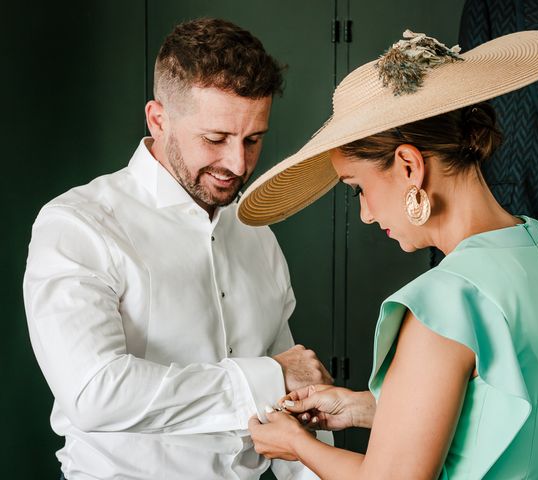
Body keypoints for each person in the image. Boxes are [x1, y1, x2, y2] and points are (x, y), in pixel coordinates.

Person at [238, 30, 538, 479]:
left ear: (409, 165)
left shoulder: (448, 302)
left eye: (358, 189)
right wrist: (360, 407)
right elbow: (496, 406)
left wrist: (297, 445)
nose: (367, 214)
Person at [23, 18, 332, 480]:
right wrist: (265, 377)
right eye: (216, 139)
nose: (238, 163)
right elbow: (94, 392)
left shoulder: (258, 237)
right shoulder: (77, 225)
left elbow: (292, 397)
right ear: (158, 118)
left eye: (253, 139)